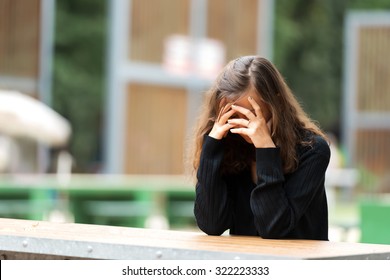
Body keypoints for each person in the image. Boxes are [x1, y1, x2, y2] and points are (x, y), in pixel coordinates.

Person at [190, 55, 331, 240]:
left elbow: (273, 228)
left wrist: (265, 149)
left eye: (250, 114)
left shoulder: (312, 149)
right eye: (234, 115)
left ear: (275, 103)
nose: (244, 126)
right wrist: (211, 149)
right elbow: (211, 224)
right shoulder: (228, 145)